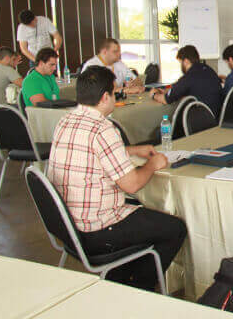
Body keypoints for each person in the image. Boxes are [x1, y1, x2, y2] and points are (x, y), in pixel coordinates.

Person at [47, 66, 186, 292]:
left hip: (68, 225)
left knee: (141, 212)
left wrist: (131, 150)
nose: (116, 96)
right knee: (175, 228)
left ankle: (118, 278)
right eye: (114, 92)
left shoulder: (66, 120)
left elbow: (94, 151)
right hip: (98, 230)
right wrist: (153, 163)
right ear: (105, 97)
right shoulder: (103, 128)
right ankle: (137, 287)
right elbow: (132, 184)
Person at [150, 45, 222, 116]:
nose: (180, 65)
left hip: (202, 119)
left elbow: (165, 100)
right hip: (215, 114)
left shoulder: (189, 76)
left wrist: (154, 95)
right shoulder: (208, 69)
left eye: (181, 62)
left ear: (186, 61)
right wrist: (167, 90)